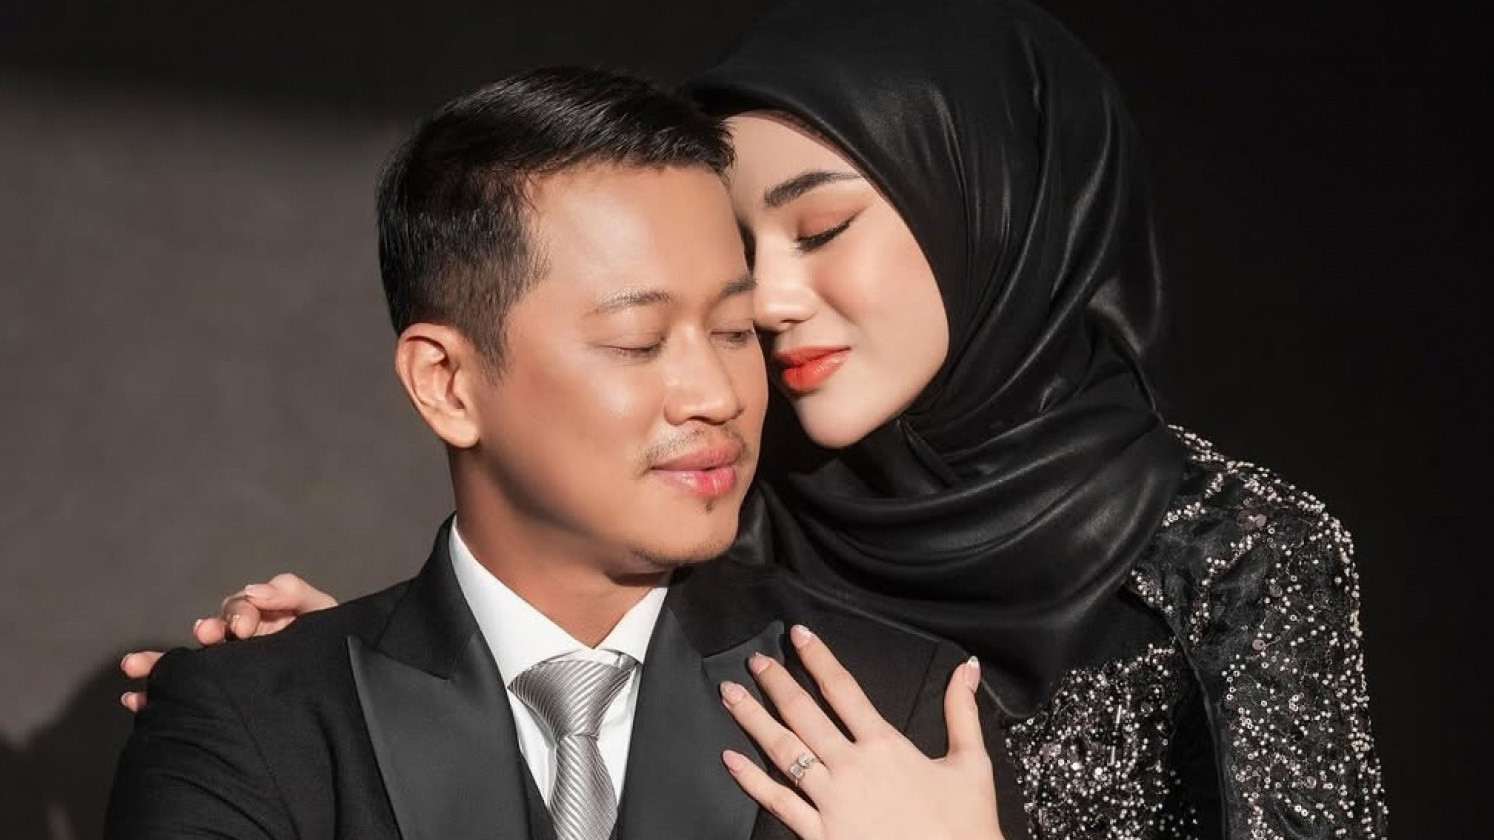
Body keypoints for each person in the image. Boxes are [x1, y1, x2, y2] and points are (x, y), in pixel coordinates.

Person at [123, 1, 1391, 837]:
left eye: (821, 229)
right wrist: (335, 685)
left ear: (992, 211)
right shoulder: (736, 504)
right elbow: (539, 610)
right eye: (739, 265)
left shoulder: (1230, 552)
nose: (769, 315)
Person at [105, 66, 1019, 840]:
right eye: (637, 341)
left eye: (736, 330)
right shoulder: (257, 723)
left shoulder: (895, 710)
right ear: (445, 383)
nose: (718, 395)